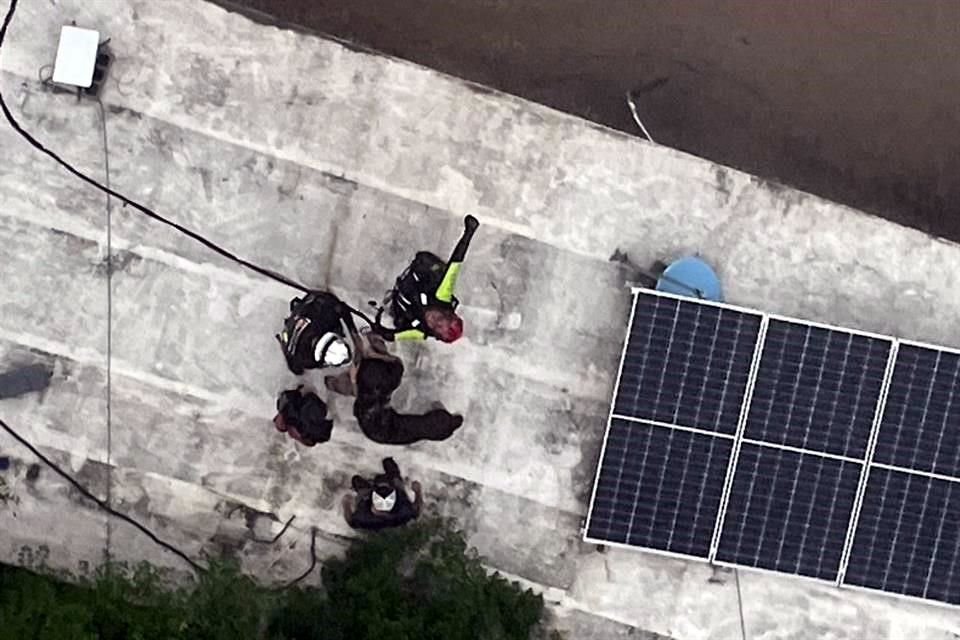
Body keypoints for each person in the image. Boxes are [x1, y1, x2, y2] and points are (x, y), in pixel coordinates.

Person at [325, 331, 464, 445]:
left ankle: (333, 382)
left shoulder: (375, 390)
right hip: (379, 419)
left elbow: (366, 391)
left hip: (375, 421)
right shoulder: (421, 425)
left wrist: (356, 377)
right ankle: (366, 363)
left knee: (376, 384)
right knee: (389, 374)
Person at [374, 214, 480, 343]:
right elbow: (455, 264)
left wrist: (379, 330)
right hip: (414, 268)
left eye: (435, 327)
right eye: (440, 318)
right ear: (446, 313)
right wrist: (468, 233)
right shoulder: (442, 295)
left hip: (395, 292)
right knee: (434, 268)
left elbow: (393, 336)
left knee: (400, 321)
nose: (433, 320)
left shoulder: (421, 331)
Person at [277, 291, 358, 375]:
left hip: (299, 314)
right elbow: (337, 305)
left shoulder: (324, 320)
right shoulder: (306, 361)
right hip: (296, 319)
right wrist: (354, 335)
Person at [342, 457, 422, 531]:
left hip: (369, 506)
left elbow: (350, 521)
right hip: (394, 510)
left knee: (357, 481)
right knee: (390, 467)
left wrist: (346, 504)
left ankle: (371, 486)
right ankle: (393, 479)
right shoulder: (405, 513)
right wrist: (418, 491)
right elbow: (417, 509)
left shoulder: (364, 518)